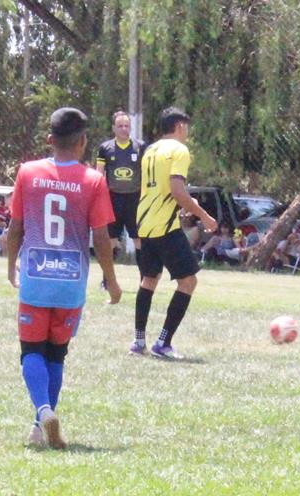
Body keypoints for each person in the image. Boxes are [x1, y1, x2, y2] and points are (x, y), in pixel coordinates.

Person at [6, 107, 121, 449]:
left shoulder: (27, 173)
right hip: (71, 282)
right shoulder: (93, 180)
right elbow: (101, 237)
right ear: (84, 142)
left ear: (49, 140)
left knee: (31, 351)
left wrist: (11, 264)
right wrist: (111, 280)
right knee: (56, 354)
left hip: (36, 275)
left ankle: (42, 410)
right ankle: (40, 425)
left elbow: (15, 228)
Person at [131, 107, 217, 359]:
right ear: (180, 127)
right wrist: (204, 216)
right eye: (186, 127)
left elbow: (157, 188)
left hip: (145, 223)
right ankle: (163, 343)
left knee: (149, 279)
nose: (187, 133)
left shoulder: (150, 150)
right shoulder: (178, 150)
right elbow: (177, 190)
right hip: (164, 227)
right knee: (188, 281)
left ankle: (138, 341)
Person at [96, 110, 147, 278]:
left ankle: (143, 279)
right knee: (110, 240)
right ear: (114, 128)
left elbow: (147, 173)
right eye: (120, 126)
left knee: (138, 239)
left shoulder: (140, 147)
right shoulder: (105, 148)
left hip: (135, 199)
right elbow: (99, 174)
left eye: (127, 126)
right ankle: (107, 279)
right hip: (113, 200)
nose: (124, 129)